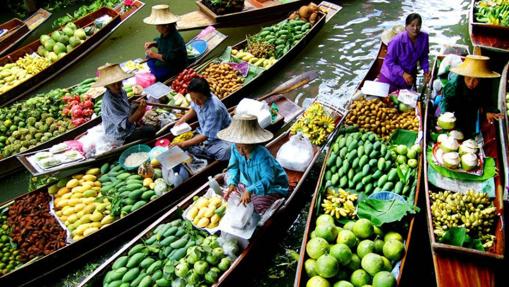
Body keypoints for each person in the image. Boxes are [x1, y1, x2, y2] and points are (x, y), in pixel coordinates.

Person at [219, 114, 289, 215]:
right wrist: (232, 183)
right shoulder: (235, 148)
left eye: (245, 148)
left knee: (257, 207)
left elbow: (268, 179)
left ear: (252, 143)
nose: (241, 151)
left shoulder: (262, 155)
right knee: (227, 178)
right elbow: (233, 168)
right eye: (238, 147)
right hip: (250, 182)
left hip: (272, 186)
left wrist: (250, 190)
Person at [93, 63, 156, 143]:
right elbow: (125, 125)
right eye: (113, 85)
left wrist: (138, 108)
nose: (117, 86)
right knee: (151, 130)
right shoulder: (110, 102)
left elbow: (127, 109)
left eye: (119, 83)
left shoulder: (121, 91)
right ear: (107, 86)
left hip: (126, 122)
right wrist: (139, 111)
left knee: (136, 107)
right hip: (119, 134)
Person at [442, 55, 502, 137]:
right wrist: (447, 120)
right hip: (456, 104)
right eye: (468, 78)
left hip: (472, 105)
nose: (471, 83)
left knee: (469, 128)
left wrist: (488, 110)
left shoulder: (485, 84)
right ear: (463, 76)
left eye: (476, 79)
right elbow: (446, 103)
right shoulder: (453, 86)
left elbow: (486, 99)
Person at [173, 77, 231, 161]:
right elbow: (194, 108)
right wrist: (182, 120)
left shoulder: (214, 110)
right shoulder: (197, 98)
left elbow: (205, 136)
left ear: (207, 94)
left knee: (226, 151)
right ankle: (201, 147)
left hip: (220, 136)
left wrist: (183, 144)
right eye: (193, 98)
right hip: (204, 131)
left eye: (199, 98)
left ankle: (206, 153)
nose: (196, 102)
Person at [379, 13, 431, 92]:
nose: (415, 28)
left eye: (418, 25)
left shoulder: (424, 37)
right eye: (412, 25)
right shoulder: (397, 40)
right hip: (391, 77)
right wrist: (403, 73)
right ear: (406, 26)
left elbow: (424, 57)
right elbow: (389, 62)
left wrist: (426, 70)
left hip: (408, 76)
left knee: (408, 100)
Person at [143, 5, 187, 82]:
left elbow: (170, 58)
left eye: (158, 26)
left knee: (156, 72)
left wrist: (154, 55)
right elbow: (161, 41)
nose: (156, 28)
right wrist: (153, 43)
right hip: (167, 59)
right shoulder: (166, 33)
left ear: (166, 26)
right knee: (149, 61)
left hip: (176, 65)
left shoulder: (174, 39)